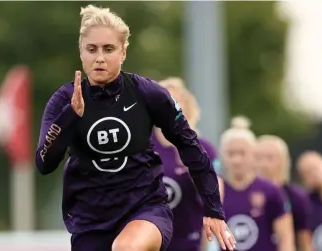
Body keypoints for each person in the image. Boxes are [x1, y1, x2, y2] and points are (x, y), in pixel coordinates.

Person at [35, 5, 235, 251]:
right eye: (92, 49)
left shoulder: (147, 93)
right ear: (81, 52)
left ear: (123, 53)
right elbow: (44, 163)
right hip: (90, 220)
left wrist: (213, 208)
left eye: (109, 49)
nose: (99, 57)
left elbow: (190, 145)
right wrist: (69, 117)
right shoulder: (64, 99)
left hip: (145, 209)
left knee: (126, 248)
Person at [152, 77, 225, 251]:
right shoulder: (141, 144)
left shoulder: (201, 147)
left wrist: (192, 166)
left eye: (175, 101)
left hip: (189, 238)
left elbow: (217, 195)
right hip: (150, 236)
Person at [211, 116, 295, 251]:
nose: (236, 160)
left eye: (242, 153)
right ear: (222, 155)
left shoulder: (271, 190)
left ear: (253, 154)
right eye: (231, 154)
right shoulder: (215, 191)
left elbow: (286, 239)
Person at [254, 135, 313, 251]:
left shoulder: (296, 197)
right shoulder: (242, 194)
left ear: (283, 161)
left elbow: (304, 241)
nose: (263, 164)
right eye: (258, 158)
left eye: (270, 158)